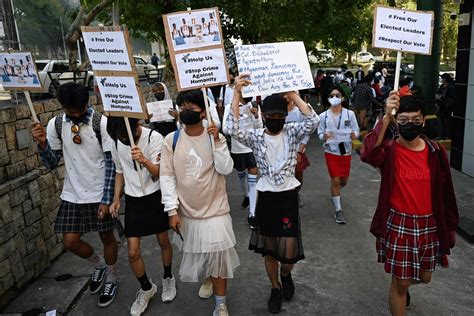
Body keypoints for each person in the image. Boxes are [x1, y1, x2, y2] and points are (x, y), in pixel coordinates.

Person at [360, 92, 459, 316]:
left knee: (425, 277)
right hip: (399, 224)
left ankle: (402, 288)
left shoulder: (436, 151)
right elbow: (367, 153)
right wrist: (385, 117)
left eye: (416, 120)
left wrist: (450, 224)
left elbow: (447, 192)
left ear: (423, 121)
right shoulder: (389, 150)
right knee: (401, 284)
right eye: (403, 121)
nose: (410, 125)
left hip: (428, 225)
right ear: (397, 121)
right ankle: (399, 289)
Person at [228, 74, 319, 314]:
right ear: (264, 117)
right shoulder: (256, 136)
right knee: (269, 250)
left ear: (285, 117)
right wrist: (236, 93)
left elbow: (313, 122)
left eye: (280, 116)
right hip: (266, 196)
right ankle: (275, 287)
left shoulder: (291, 131)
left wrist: (294, 96)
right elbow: (231, 128)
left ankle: (286, 274)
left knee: (288, 254)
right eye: (271, 116)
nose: (275, 120)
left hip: (287, 196)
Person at [31, 82, 119, 307]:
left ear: (87, 103)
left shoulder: (101, 123)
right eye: (72, 112)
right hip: (72, 194)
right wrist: (42, 144)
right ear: (63, 107)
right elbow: (52, 163)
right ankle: (98, 265)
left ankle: (111, 276)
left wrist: (107, 199)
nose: (77, 115)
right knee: (70, 241)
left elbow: (112, 163)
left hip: (100, 193)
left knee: (107, 237)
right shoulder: (57, 124)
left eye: (80, 110)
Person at [160, 89, 239, 316]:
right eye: (182, 108)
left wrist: (218, 141)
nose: (186, 112)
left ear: (203, 113)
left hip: (215, 211)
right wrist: (171, 210)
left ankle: (220, 304)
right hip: (188, 212)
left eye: (191, 109)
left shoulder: (216, 137)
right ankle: (208, 277)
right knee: (203, 254)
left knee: (219, 259)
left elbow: (226, 168)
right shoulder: (171, 140)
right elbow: (166, 177)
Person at [106, 117, 176, 315]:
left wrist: (144, 160)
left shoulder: (154, 137)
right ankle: (146, 288)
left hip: (155, 195)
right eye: (119, 137)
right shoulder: (117, 141)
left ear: (136, 125)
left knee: (163, 240)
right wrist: (116, 198)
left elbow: (160, 172)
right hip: (133, 199)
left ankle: (168, 277)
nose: (123, 140)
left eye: (125, 136)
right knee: (132, 251)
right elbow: (120, 171)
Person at [318, 86, 359, 224]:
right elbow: (319, 133)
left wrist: (355, 135)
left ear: (342, 98)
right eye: (331, 95)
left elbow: (356, 130)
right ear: (329, 98)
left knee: (343, 181)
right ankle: (338, 210)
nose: (334, 97)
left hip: (345, 151)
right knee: (335, 180)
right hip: (331, 151)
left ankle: (336, 192)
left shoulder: (349, 114)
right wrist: (323, 136)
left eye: (337, 95)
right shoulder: (323, 116)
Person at [222, 91, 263, 228]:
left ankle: (252, 213)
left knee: (252, 180)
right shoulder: (230, 107)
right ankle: (246, 195)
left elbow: (259, 127)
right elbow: (226, 129)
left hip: (252, 148)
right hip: (237, 149)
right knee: (241, 175)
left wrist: (255, 115)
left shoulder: (255, 105)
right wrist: (236, 116)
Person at [285, 92, 312, 208]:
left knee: (298, 176)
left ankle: (296, 193)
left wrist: (300, 151)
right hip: (282, 151)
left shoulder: (299, 113)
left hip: (298, 150)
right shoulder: (278, 112)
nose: (287, 97)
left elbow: (307, 132)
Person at [436, 73, 455, 140]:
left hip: (447, 107)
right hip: (441, 105)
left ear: (445, 79)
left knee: (446, 122)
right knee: (440, 121)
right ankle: (440, 135)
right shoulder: (442, 86)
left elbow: (451, 97)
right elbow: (438, 93)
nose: (442, 80)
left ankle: (446, 136)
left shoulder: (451, 86)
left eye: (443, 78)